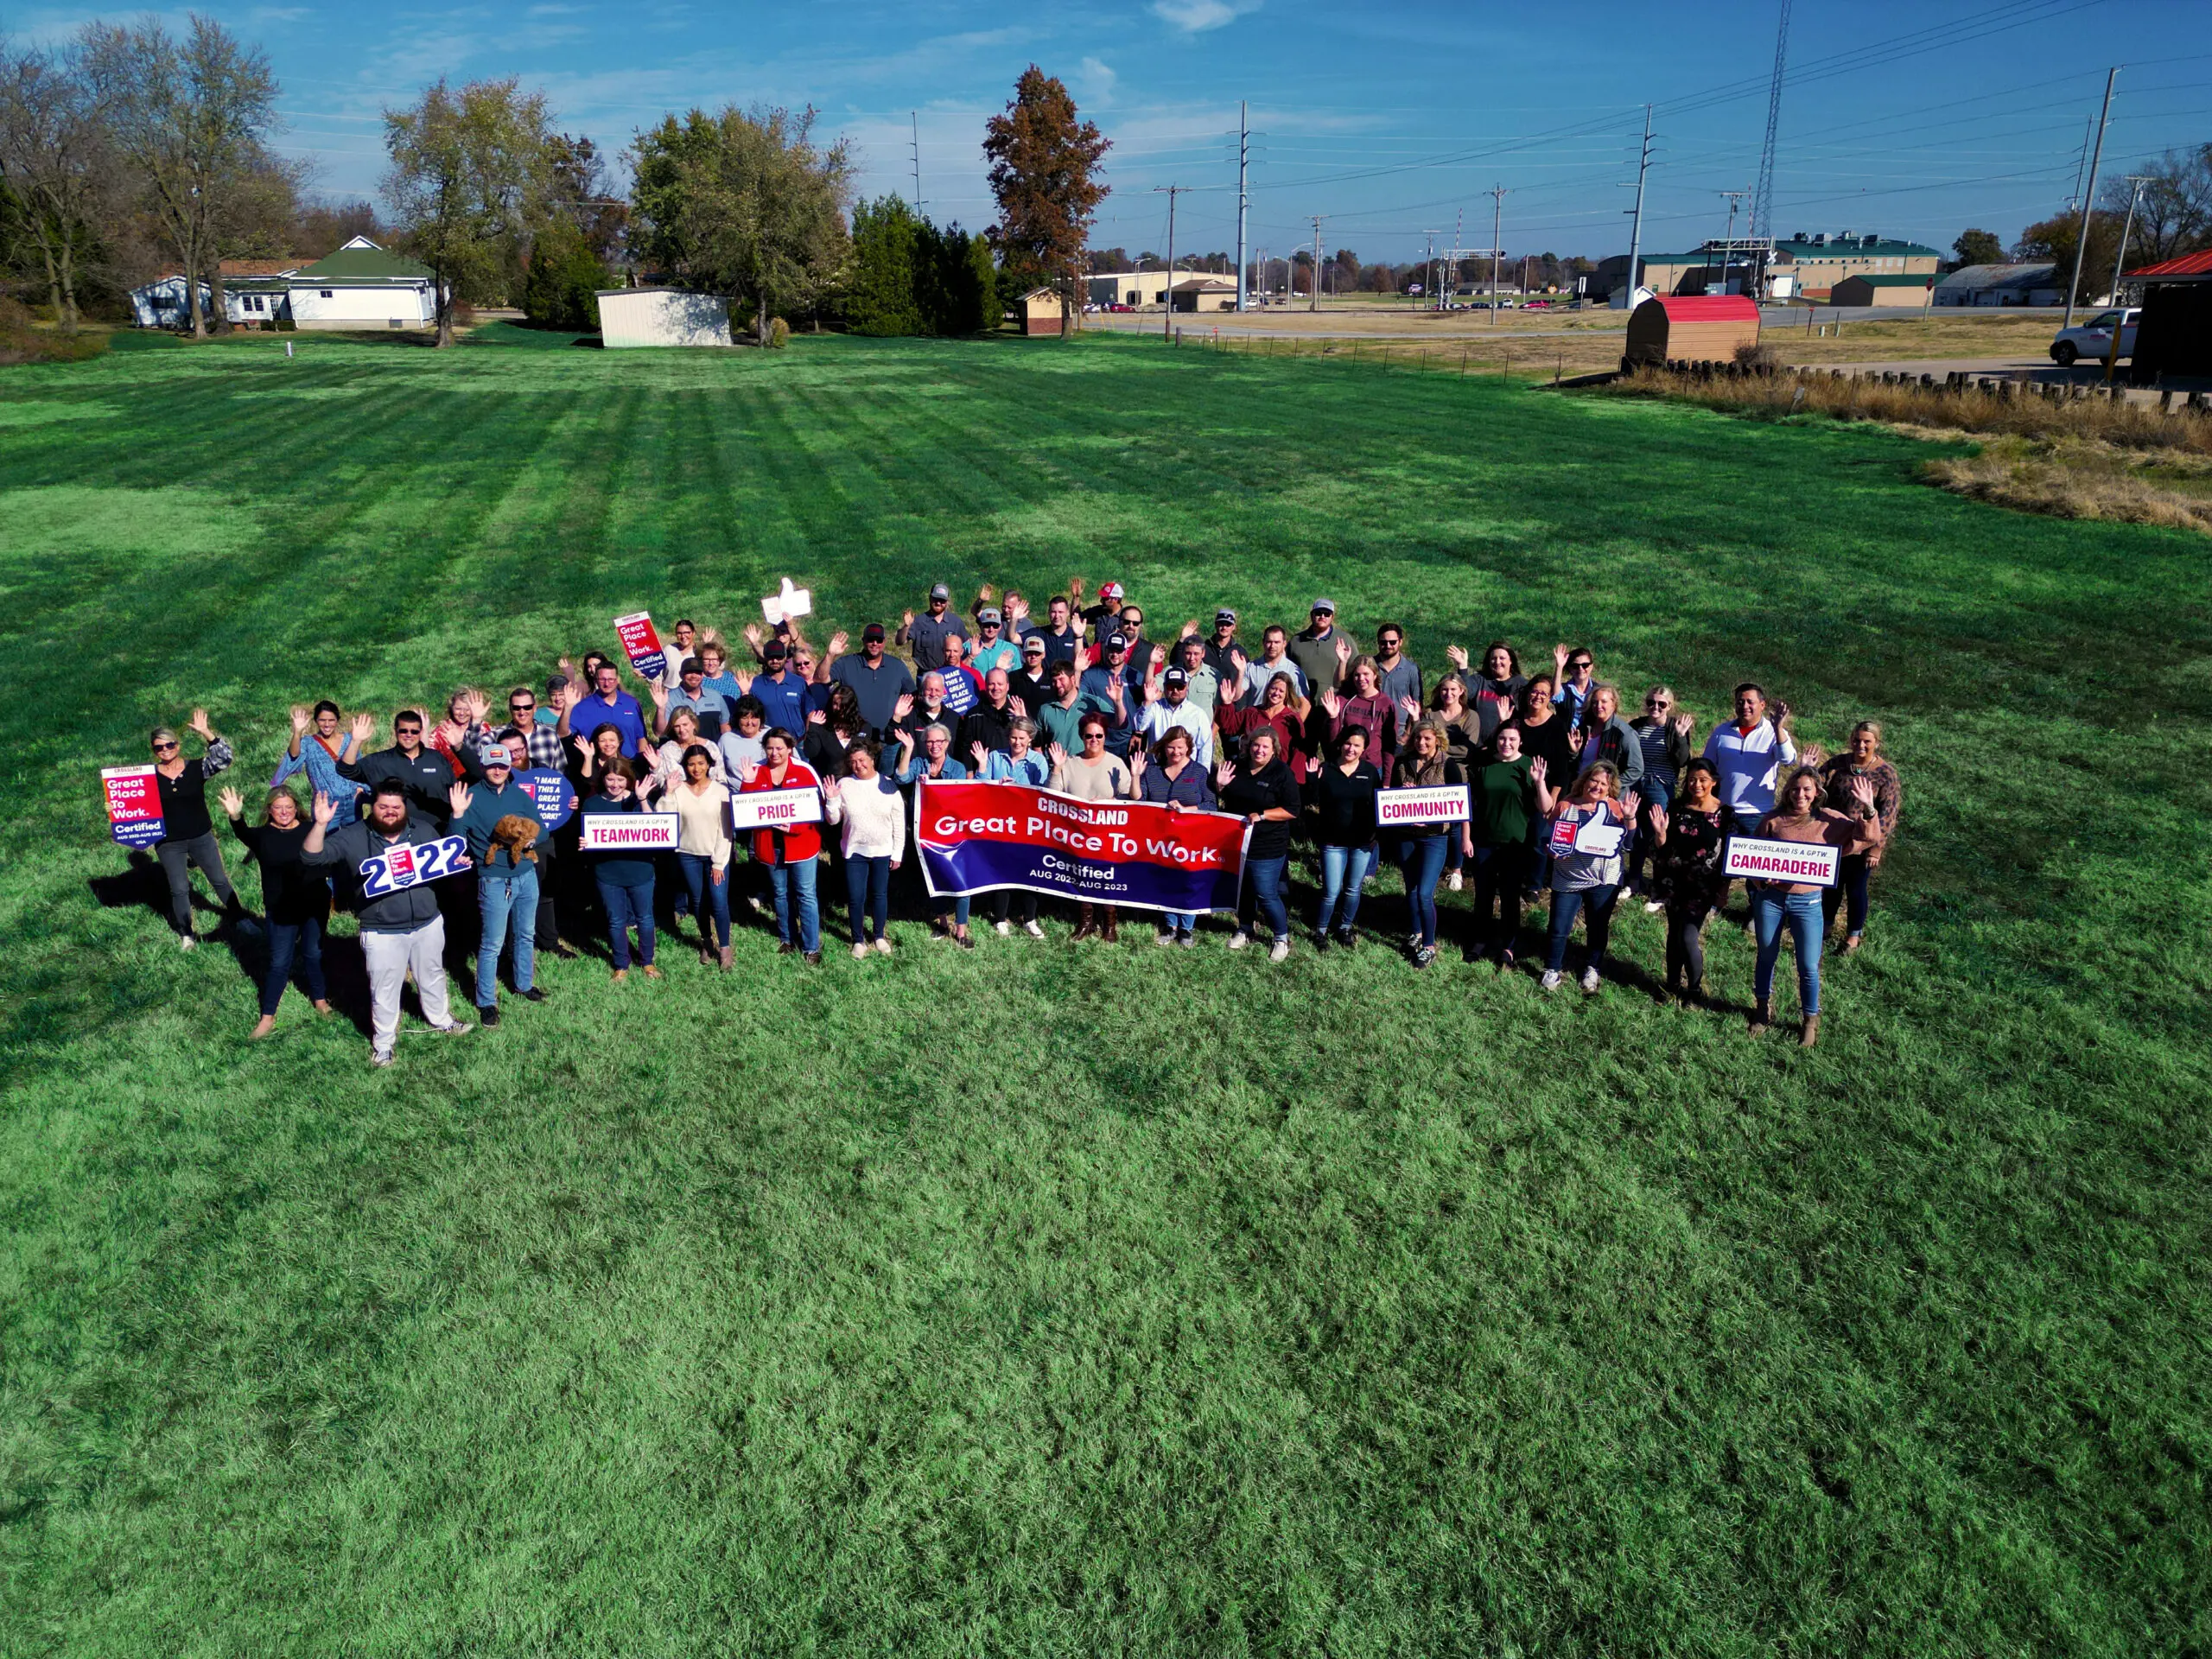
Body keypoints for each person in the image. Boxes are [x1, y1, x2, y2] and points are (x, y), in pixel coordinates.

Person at [300, 779, 473, 1066]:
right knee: (384, 988)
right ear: (373, 807)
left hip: (427, 923)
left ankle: (442, 1019)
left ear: (404, 807)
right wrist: (319, 825)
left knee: (432, 975)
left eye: (396, 806)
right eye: (383, 807)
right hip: (382, 931)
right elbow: (311, 858)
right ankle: (383, 1044)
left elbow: (448, 856)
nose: (390, 812)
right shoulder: (353, 836)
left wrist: (457, 860)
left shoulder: (423, 830)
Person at [1748, 765, 1886, 1046]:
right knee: (1766, 955)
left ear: (1816, 793)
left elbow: (1868, 837)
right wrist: (1761, 879)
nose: (1800, 794)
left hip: (1808, 902)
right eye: (1795, 789)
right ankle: (1762, 1010)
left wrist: (1869, 809)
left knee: (1809, 965)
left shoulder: (1829, 821)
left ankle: (1810, 1019)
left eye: (1807, 789)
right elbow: (1753, 855)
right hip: (1771, 901)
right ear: (1788, 791)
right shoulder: (1774, 820)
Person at [447, 743, 550, 1025]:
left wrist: (530, 841)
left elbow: (542, 828)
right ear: (482, 767)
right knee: (492, 942)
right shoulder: (470, 797)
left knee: (525, 934)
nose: (498, 770)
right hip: (494, 879)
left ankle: (524, 984)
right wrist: (456, 814)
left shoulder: (519, 794)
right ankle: (486, 1001)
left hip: (526, 875)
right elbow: (453, 842)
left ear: (509, 767)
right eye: (492, 765)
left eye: (502, 765)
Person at [219, 784, 331, 1036]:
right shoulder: (262, 836)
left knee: (313, 953)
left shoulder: (309, 830)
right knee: (280, 962)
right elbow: (242, 832)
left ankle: (320, 1000)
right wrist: (235, 815)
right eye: (278, 808)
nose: (284, 812)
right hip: (281, 909)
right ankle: (267, 1017)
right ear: (270, 810)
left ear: (296, 808)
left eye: (289, 807)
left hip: (314, 904)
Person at [1535, 759, 1638, 995]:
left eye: (1604, 783)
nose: (1598, 786)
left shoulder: (1615, 808)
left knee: (1597, 926)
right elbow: (1545, 838)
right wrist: (1553, 851)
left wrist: (1630, 818)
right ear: (1585, 780)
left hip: (1604, 879)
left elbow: (1631, 844)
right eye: (1594, 780)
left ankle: (1592, 968)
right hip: (1568, 877)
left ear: (1610, 787)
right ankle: (1552, 969)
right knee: (1559, 927)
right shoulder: (1565, 806)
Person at [148, 709, 241, 948]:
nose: (165, 750)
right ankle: (186, 933)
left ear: (177, 745)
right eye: (159, 747)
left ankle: (240, 919)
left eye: (169, 744)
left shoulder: (195, 768)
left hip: (201, 836)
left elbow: (224, 759)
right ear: (154, 751)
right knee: (179, 889)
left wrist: (206, 733)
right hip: (169, 842)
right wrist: (113, 808)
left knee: (219, 879)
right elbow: (128, 803)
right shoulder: (147, 778)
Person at [1647, 757, 1729, 1005]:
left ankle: (1694, 990)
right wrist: (1660, 834)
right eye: (1692, 779)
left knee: (1688, 936)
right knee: (1674, 934)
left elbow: (1728, 857)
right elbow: (1660, 848)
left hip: (1702, 886)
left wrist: (1723, 890)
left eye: (1703, 779)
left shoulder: (1725, 814)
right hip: (1673, 882)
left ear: (1713, 782)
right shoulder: (1675, 807)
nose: (1697, 784)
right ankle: (1672, 984)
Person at [1817, 721, 1902, 954]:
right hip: (1832, 837)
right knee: (1831, 885)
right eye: (1857, 740)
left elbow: (1888, 814)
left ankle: (1853, 936)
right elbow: (1816, 786)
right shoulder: (1838, 764)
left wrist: (1876, 848)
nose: (1861, 745)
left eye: (1867, 741)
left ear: (1877, 743)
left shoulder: (1886, 774)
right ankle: (1825, 926)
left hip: (1863, 842)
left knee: (1856, 889)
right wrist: (1808, 769)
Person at [1216, 728, 1300, 961]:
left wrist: (1262, 815)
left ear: (1274, 749)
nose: (1259, 750)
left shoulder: (1282, 773)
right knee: (1243, 891)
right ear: (1248, 745)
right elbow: (1225, 800)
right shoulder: (1237, 765)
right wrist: (1220, 786)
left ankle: (1281, 938)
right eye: (1256, 745)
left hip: (1267, 845)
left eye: (1265, 746)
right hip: (1236, 841)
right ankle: (1245, 928)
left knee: (1265, 894)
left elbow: (1292, 810)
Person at [742, 728, 825, 963]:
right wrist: (747, 783)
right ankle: (787, 939)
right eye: (770, 748)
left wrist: (795, 827)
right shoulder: (756, 770)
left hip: (802, 844)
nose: (774, 752)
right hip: (771, 845)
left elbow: (817, 807)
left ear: (790, 748)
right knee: (780, 893)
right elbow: (746, 812)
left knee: (806, 895)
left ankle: (811, 947)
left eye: (780, 748)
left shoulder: (804, 770)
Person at [1388, 720, 1465, 968]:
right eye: (1418, 738)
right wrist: (1404, 792)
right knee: (1411, 888)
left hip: (1435, 837)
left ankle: (1429, 946)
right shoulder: (1402, 761)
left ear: (1437, 740)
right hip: (1406, 835)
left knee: (1424, 892)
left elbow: (1458, 804)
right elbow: (1390, 796)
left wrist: (1433, 818)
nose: (1422, 743)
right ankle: (1416, 933)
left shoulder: (1448, 764)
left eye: (1428, 739)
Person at [1049, 714, 1134, 941]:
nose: (1094, 740)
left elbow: (1130, 797)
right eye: (1089, 736)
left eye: (1099, 735)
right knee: (1082, 876)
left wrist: (1111, 803)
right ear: (1082, 737)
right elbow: (1053, 795)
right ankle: (1086, 922)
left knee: (1106, 877)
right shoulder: (1070, 763)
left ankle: (1109, 924)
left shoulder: (1116, 763)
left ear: (1105, 737)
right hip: (1078, 834)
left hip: (1107, 834)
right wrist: (1057, 768)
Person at [1131, 726, 1215, 945]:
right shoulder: (1152, 771)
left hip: (1191, 836)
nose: (1175, 752)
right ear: (1163, 747)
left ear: (1188, 748)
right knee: (1166, 878)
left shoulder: (1199, 772)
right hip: (1161, 838)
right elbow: (1139, 802)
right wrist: (1135, 777)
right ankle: (1170, 925)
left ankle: (1187, 927)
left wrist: (1187, 810)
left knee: (1189, 880)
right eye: (1171, 747)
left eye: (1180, 747)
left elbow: (1211, 804)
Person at [894, 722, 975, 948]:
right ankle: (941, 922)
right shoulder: (919, 763)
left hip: (952, 834)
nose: (934, 745)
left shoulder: (957, 768)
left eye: (939, 741)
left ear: (947, 743)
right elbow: (901, 778)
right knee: (934, 880)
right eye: (929, 741)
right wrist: (908, 749)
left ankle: (961, 930)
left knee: (961, 881)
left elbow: (959, 799)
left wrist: (933, 784)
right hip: (926, 835)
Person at [579, 765, 661, 980]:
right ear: (603, 779)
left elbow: (654, 828)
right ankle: (621, 964)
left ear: (629, 780)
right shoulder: (592, 803)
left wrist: (643, 799)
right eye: (610, 779)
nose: (615, 785)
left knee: (645, 918)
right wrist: (584, 841)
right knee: (616, 921)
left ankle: (648, 962)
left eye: (620, 780)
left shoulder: (637, 799)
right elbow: (587, 834)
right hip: (608, 872)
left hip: (640, 869)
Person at [972, 719, 1052, 938]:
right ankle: (1000, 918)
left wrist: (1019, 790)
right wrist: (984, 769)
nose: (1017, 742)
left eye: (1022, 738)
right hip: (1001, 824)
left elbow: (1044, 793)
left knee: (1031, 873)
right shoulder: (995, 757)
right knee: (1002, 872)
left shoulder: (1038, 761)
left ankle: (1030, 919)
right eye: (1014, 737)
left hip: (1028, 826)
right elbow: (981, 786)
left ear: (1030, 739)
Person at [824, 738, 904, 957]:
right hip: (854, 851)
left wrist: (897, 852)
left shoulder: (888, 785)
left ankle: (879, 936)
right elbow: (833, 820)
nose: (858, 765)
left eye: (862, 760)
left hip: (882, 850)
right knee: (856, 897)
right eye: (853, 762)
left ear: (872, 759)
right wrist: (831, 800)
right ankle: (858, 940)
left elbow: (898, 822)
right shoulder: (844, 785)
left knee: (879, 895)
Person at [1466, 723, 1537, 967]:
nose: (1506, 744)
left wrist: (1539, 782)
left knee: (1510, 895)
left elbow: (1544, 807)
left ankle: (1508, 945)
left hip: (1515, 842)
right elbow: (1468, 804)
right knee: (1483, 894)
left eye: (1512, 739)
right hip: (1484, 840)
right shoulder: (1484, 764)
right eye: (1502, 739)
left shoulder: (1529, 765)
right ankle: (1480, 940)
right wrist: (1467, 837)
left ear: (1520, 741)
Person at [1306, 726, 1383, 950]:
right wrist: (1312, 779)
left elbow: (1378, 806)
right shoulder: (1327, 768)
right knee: (1331, 891)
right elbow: (1312, 800)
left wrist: (1375, 835)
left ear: (1364, 749)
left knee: (1353, 889)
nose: (1351, 748)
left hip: (1361, 842)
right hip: (1333, 841)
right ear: (1341, 744)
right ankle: (1320, 931)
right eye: (1348, 743)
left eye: (1357, 745)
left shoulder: (1370, 772)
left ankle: (1345, 927)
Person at [667, 744, 734, 969]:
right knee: (697, 901)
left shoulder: (721, 791)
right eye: (691, 764)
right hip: (687, 854)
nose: (696, 769)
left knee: (718, 900)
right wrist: (667, 792)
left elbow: (726, 830)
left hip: (716, 856)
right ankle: (706, 941)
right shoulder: (679, 790)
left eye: (701, 763)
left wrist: (718, 863)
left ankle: (724, 947)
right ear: (686, 766)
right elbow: (664, 819)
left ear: (709, 765)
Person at [1628, 685, 1696, 905]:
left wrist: (1681, 737)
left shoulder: (1674, 728)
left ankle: (1660, 889)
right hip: (1636, 786)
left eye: (1661, 704)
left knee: (1660, 838)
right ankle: (1634, 881)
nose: (1655, 707)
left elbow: (1683, 760)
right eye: (1651, 702)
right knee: (1636, 834)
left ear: (1670, 706)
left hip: (1661, 787)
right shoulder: (1637, 726)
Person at [1702, 682, 1797, 835]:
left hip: (1757, 813)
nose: (1745, 706)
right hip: (1723, 809)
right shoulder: (1721, 732)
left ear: (1762, 705)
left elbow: (1787, 759)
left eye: (1750, 702)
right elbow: (1707, 767)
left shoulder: (1773, 732)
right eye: (1740, 702)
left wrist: (1778, 729)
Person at [1427, 676, 1484, 891]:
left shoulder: (1471, 717)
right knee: (1432, 819)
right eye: (1444, 689)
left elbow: (1467, 750)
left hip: (1459, 775)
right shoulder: (1430, 714)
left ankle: (1456, 869)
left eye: (1453, 689)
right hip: (1430, 773)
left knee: (1456, 823)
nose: (1448, 694)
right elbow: (1422, 743)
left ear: (1461, 691)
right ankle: (1433, 862)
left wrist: (1437, 747)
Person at [276, 702, 367, 824]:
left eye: (331, 720)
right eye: (322, 720)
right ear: (316, 721)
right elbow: (294, 755)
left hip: (352, 801)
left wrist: (360, 789)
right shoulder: (309, 743)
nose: (327, 724)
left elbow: (359, 766)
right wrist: (297, 732)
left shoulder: (349, 740)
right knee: (327, 841)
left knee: (355, 840)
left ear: (337, 720)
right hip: (325, 803)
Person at [1217, 668, 1311, 780]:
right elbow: (1229, 727)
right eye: (1273, 688)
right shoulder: (1253, 713)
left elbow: (1298, 754)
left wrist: (1294, 781)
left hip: (1279, 776)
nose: (1276, 693)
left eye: (1281, 691)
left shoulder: (1292, 719)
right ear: (1267, 690)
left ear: (1287, 695)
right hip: (1250, 772)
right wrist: (1227, 704)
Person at [830, 623, 917, 737]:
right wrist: (829, 655)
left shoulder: (897, 666)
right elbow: (821, 679)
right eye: (871, 640)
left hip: (889, 736)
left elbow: (912, 696)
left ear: (884, 642)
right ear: (863, 641)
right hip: (854, 735)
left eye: (879, 640)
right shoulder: (846, 664)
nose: (875, 644)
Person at [1319, 657, 1399, 780]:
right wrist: (1333, 717)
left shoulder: (1385, 704)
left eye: (1366, 674)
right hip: (1344, 764)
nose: (1361, 679)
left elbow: (1389, 745)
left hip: (1371, 767)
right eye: (1357, 675)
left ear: (1375, 675)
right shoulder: (1343, 700)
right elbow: (1332, 739)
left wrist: (1387, 779)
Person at [562, 660, 649, 758]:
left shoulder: (632, 704)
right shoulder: (582, 707)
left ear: (617, 679)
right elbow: (562, 733)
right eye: (602, 679)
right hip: (596, 767)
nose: (607, 684)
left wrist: (642, 763)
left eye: (611, 679)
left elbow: (641, 738)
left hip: (629, 765)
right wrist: (567, 708)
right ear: (596, 679)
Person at [1447, 640, 1528, 747]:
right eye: (1493, 658)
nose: (1497, 662)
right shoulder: (1480, 679)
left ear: (1511, 661)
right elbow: (1465, 692)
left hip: (1507, 746)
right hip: (1478, 746)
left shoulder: (1521, 684)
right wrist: (1463, 666)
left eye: (1502, 658)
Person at [1132, 664, 1213, 766]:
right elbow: (1139, 726)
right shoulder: (1154, 708)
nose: (1175, 691)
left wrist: (1202, 774)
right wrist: (1148, 702)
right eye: (1171, 687)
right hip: (1157, 770)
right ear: (1164, 687)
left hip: (1187, 773)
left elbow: (1205, 749)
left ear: (1186, 687)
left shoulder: (1198, 714)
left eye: (1180, 687)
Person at [898, 582, 969, 671]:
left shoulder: (956, 622)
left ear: (947, 602)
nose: (938, 603)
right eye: (935, 599)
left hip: (949, 673)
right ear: (930, 598)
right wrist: (906, 626)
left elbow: (967, 646)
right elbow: (900, 642)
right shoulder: (918, 621)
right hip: (926, 674)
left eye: (942, 600)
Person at [658, 655, 731, 741]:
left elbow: (725, 727)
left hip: (710, 752)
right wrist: (660, 709)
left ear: (703, 675)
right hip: (680, 752)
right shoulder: (669, 698)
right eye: (689, 672)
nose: (694, 676)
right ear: (681, 674)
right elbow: (660, 733)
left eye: (698, 672)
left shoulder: (715, 696)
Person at [1288, 599, 1349, 701]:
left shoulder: (1344, 640)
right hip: (1300, 702)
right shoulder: (1296, 641)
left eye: (1327, 614)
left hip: (1333, 703)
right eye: (1318, 613)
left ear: (1332, 617)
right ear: (1312, 615)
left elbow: (1356, 670)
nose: (1322, 617)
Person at [803, 683, 867, 779]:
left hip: (856, 783)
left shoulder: (864, 728)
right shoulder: (822, 726)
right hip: (828, 783)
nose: (838, 708)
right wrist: (812, 728)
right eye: (835, 704)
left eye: (843, 705)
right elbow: (810, 753)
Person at [750, 639, 810, 736]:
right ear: (765, 657)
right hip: (769, 743)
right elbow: (751, 715)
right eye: (771, 657)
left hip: (798, 742)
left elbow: (809, 713)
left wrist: (808, 737)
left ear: (785, 657)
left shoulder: (799, 683)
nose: (775, 661)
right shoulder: (756, 684)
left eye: (779, 657)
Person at [1238, 624, 1307, 709]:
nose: (1272, 646)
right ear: (1263, 642)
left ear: (1284, 644)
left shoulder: (1294, 671)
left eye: (1277, 642)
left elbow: (1306, 704)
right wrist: (1240, 672)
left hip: (1281, 721)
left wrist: (1296, 722)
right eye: (1269, 642)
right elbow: (1236, 696)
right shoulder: (1251, 667)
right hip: (1255, 719)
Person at [1372, 623, 1422, 739]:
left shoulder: (1411, 669)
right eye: (1383, 642)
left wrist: (1407, 735)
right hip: (1372, 729)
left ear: (1400, 642)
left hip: (1399, 732)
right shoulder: (1369, 666)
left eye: (1392, 642)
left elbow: (1417, 704)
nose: (1388, 645)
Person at [957, 667, 1018, 759]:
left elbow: (1035, 740)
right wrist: (969, 771)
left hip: (1012, 768)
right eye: (991, 684)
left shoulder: (1018, 711)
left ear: (1008, 686)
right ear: (985, 686)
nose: (996, 688)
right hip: (981, 769)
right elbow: (965, 746)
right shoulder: (973, 714)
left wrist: (1023, 720)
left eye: (1000, 684)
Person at [717, 696, 770, 779]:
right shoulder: (726, 740)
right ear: (738, 719)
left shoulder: (771, 736)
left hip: (766, 790)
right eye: (745, 718)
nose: (749, 722)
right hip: (736, 791)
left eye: (754, 718)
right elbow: (718, 770)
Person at [1551, 644, 1599, 731]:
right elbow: (1555, 696)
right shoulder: (1565, 690)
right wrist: (1559, 667)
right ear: (1570, 668)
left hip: (1592, 740)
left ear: (1591, 666)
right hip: (1566, 740)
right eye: (1575, 666)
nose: (1580, 669)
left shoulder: (1598, 690)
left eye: (1585, 665)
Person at [1036, 593, 1085, 666]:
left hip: (1069, 676)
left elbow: (1081, 660)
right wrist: (1014, 619)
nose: (1057, 616)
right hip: (1046, 677)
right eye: (1053, 612)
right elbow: (1014, 638)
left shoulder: (1076, 634)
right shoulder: (1040, 632)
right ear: (1049, 613)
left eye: (1060, 612)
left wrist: (1079, 636)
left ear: (1068, 613)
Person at [968, 607, 1020, 676]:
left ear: (1000, 626)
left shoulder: (1011, 649)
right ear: (980, 625)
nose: (991, 629)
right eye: (987, 625)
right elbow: (958, 671)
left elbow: (1018, 677)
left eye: (995, 625)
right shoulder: (968, 647)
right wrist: (970, 657)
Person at [1008, 633, 1052, 715]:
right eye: (1030, 653)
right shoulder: (1013, 677)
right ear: (1024, 654)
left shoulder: (1051, 677)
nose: (1033, 656)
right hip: (1021, 724)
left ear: (1043, 655)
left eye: (1037, 653)